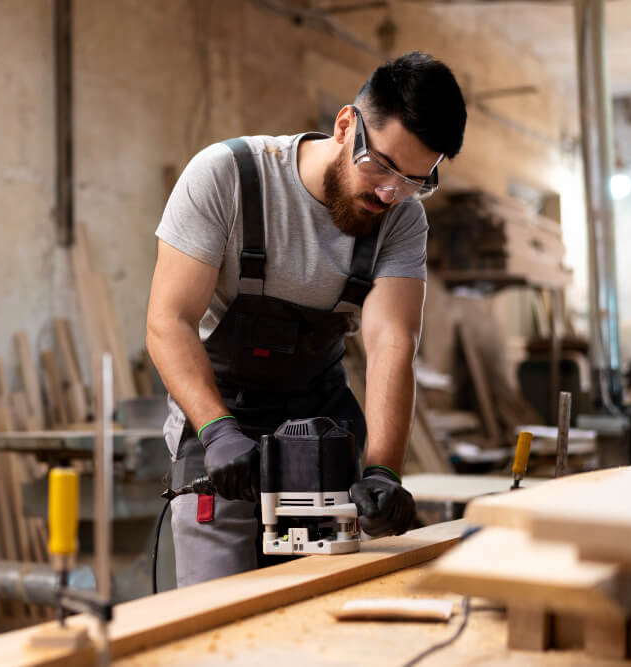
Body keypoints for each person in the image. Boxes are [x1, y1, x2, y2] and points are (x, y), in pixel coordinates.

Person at [146, 51, 467, 587]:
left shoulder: (401, 219)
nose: (390, 193)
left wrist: (384, 470)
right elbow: (168, 322)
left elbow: (392, 342)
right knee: (214, 606)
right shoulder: (229, 177)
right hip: (219, 419)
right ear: (346, 125)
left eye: (415, 180)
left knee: (321, 601)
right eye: (382, 166)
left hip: (318, 428)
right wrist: (218, 430)